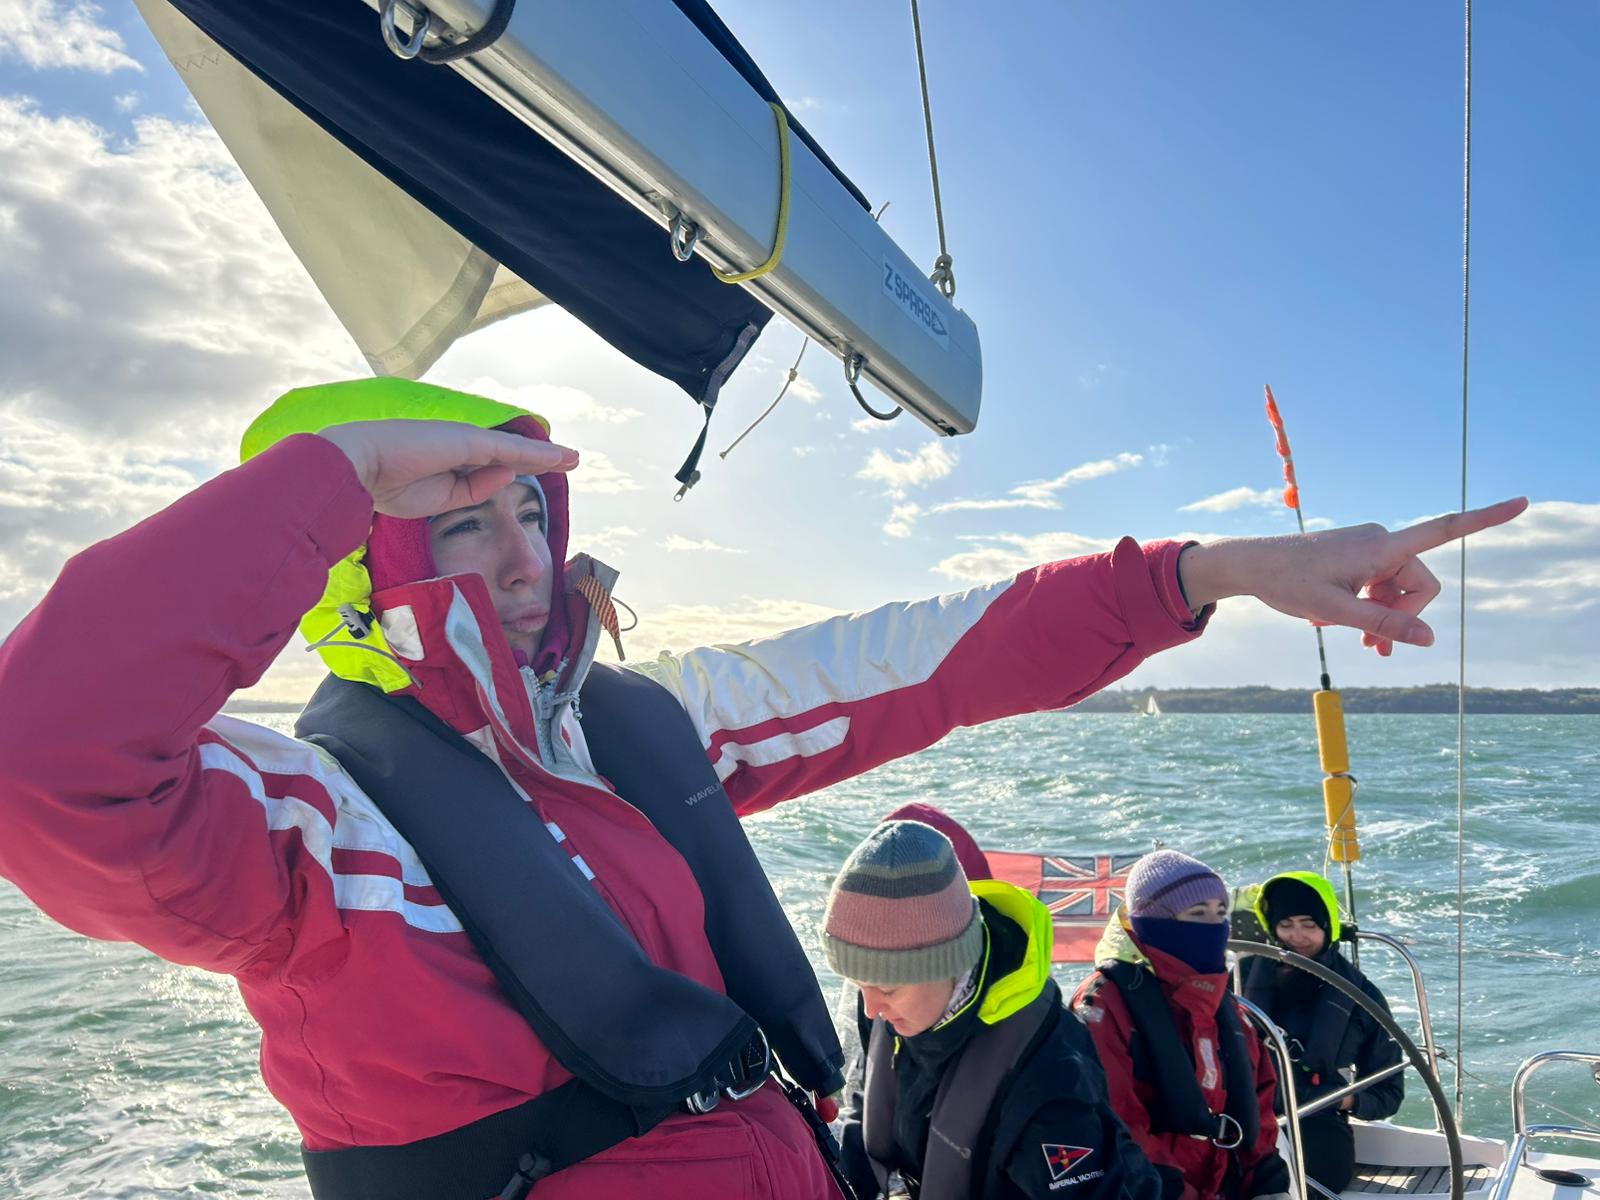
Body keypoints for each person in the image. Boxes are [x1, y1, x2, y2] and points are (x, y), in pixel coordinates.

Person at [0, 375, 1522, 1199]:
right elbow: (49, 760)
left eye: (531, 508)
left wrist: (1214, 573)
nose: (526, 550)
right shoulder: (306, 824)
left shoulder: (639, 732)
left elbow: (928, 658)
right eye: (459, 524)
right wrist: (332, 473)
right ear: (347, 570)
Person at [826, 819, 1163, 1200]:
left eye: (887, 987)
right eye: (858, 984)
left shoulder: (1049, 1077)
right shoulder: (892, 1010)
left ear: (948, 965)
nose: (870, 1009)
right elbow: (861, 1108)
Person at [1071, 851, 1291, 1200]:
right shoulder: (1104, 1004)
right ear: (1149, 921)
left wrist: (1269, 1182)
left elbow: (1259, 1100)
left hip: (1224, 1183)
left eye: (1220, 914)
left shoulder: (1222, 1004)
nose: (1213, 927)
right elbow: (1114, 1121)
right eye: (1197, 914)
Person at [1240, 872, 1403, 1193]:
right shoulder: (1240, 978)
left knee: (1309, 1184)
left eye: (1308, 924)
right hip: (1245, 1114)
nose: (1297, 936)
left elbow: (1389, 1091)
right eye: (1286, 924)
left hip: (1317, 1121)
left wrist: (1346, 1101)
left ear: (1327, 926)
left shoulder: (1361, 995)